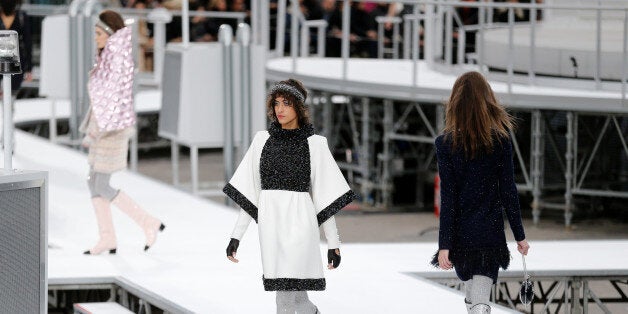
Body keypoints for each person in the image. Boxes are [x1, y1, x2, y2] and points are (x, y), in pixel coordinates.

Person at [224, 79, 355, 313]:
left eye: (287, 103)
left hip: (301, 226)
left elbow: (323, 199)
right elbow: (252, 194)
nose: (280, 109)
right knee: (297, 299)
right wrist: (236, 237)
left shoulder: (315, 144)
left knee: (283, 298)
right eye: (276, 103)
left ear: (299, 107)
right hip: (271, 227)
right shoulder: (261, 140)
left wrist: (333, 243)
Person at [431, 71, 530, 313]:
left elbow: (449, 197)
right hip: (489, 231)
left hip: (461, 233)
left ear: (455, 102)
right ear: (487, 100)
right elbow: (508, 190)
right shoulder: (500, 141)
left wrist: (444, 243)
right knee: (477, 300)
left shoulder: (446, 144)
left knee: (475, 298)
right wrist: (519, 235)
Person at [80, 10, 165, 255]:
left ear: (108, 34)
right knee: (94, 182)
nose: (95, 38)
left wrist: (93, 132)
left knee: (101, 184)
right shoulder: (111, 57)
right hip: (105, 129)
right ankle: (108, 238)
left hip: (110, 131)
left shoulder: (115, 61)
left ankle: (148, 222)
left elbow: (110, 102)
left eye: (98, 33)